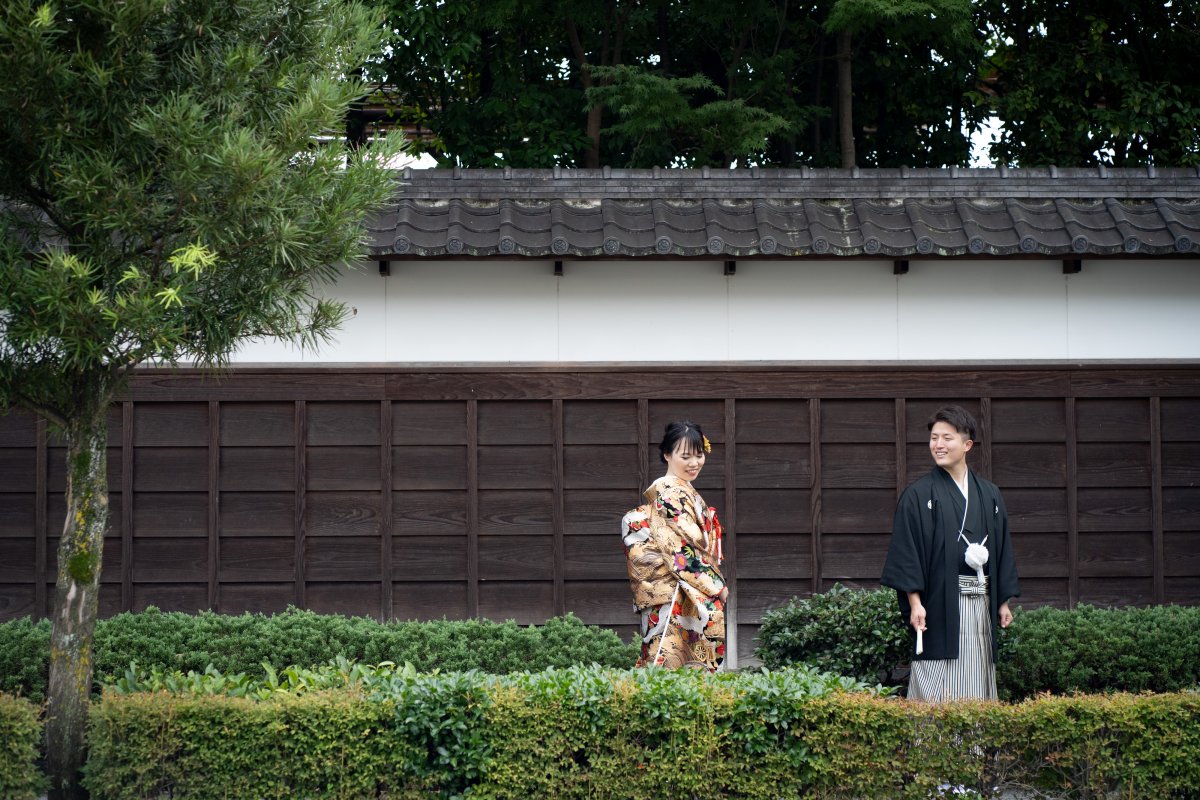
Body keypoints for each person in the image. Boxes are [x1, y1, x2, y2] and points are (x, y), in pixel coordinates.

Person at [881, 405, 1020, 701]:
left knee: (977, 669)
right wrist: (914, 603)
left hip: (980, 602)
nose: (938, 445)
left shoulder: (989, 494)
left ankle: (975, 748)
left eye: (947, 438)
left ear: (967, 445)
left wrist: (1003, 601)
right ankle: (934, 747)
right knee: (937, 674)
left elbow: (1002, 547)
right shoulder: (918, 495)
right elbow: (909, 551)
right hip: (939, 604)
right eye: (934, 438)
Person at [621, 420, 728, 670]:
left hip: (679, 589)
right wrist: (716, 585)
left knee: (676, 666)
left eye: (699, 455)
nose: (694, 463)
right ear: (668, 455)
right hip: (675, 591)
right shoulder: (670, 494)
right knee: (668, 662)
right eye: (686, 456)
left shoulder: (682, 491)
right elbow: (679, 550)